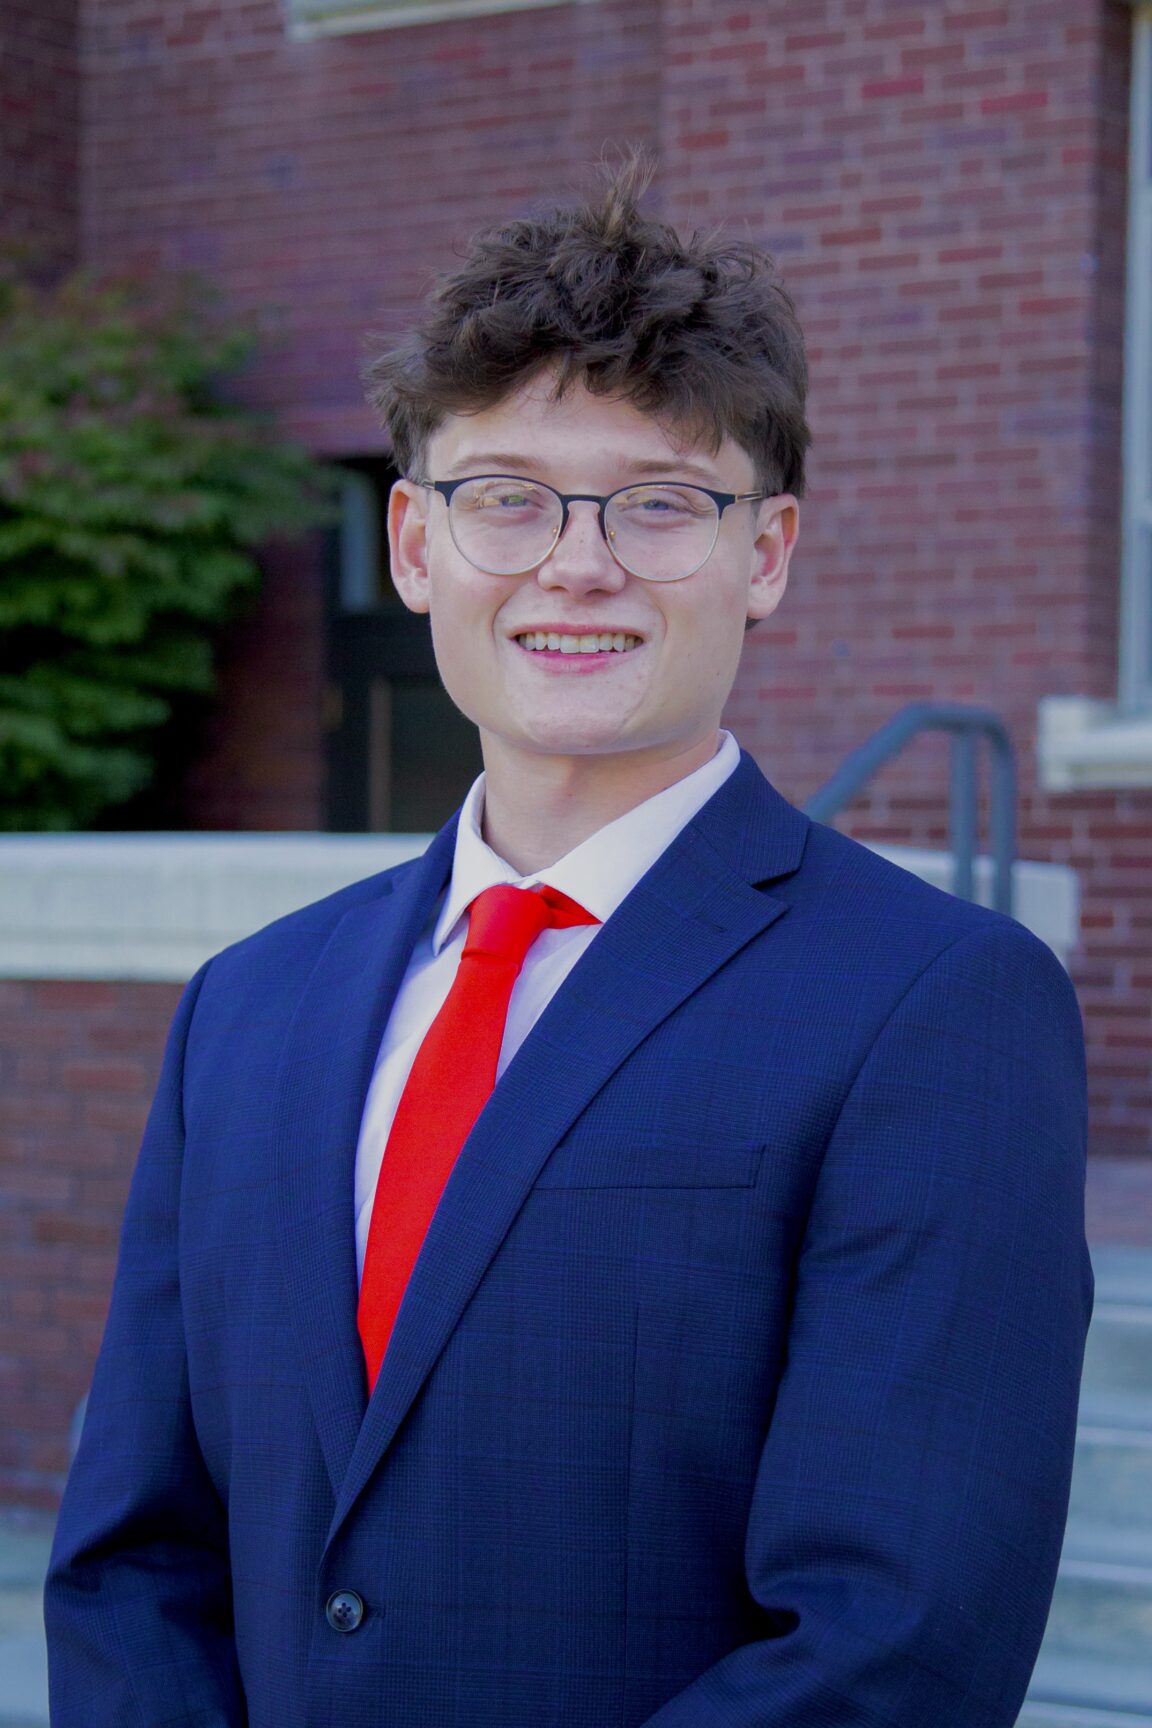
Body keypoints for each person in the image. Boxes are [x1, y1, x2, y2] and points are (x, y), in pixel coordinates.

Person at [45, 159, 1092, 1728]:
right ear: (414, 545)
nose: (576, 562)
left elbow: (899, 1643)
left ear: (770, 553)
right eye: (506, 496)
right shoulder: (246, 1011)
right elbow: (135, 1561)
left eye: (664, 501)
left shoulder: (936, 1006)